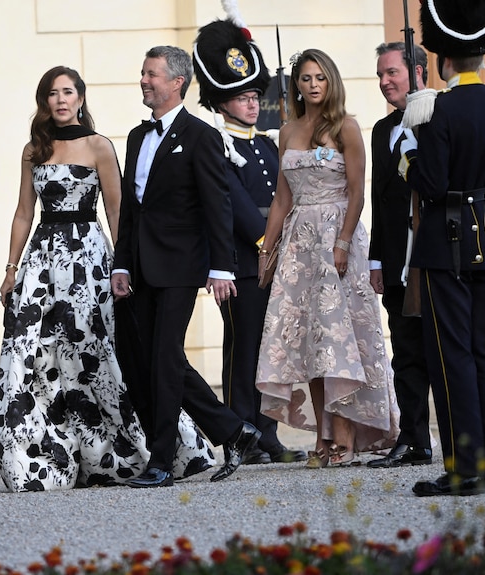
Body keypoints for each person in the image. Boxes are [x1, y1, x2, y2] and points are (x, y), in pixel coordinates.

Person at [0, 66, 215, 492]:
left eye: (68, 92)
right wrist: (11, 268)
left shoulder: (99, 146)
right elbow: (24, 212)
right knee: (38, 354)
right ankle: (46, 457)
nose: (60, 100)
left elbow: (118, 211)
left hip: (90, 258)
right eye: (52, 94)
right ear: (44, 103)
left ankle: (127, 452)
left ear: (80, 98)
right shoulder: (32, 149)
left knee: (97, 351)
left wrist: (125, 264)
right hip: (43, 260)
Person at [111, 45, 261, 489]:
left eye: (152, 74)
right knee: (161, 359)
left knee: (163, 359)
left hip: (180, 267)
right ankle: (234, 430)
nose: (144, 80)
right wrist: (121, 265)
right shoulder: (138, 137)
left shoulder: (200, 135)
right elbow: (130, 212)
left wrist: (223, 269)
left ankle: (161, 462)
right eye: (143, 72)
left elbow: (219, 207)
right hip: (139, 266)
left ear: (176, 82)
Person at [255, 49, 399, 469]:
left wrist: (342, 242)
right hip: (299, 244)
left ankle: (348, 434)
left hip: (338, 237)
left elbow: (358, 192)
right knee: (308, 343)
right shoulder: (286, 131)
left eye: (320, 77)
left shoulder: (347, 127)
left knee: (342, 341)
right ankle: (323, 434)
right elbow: (281, 199)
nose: (313, 84)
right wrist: (268, 249)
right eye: (305, 78)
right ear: (295, 85)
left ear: (330, 81)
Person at [399, 0, 485, 496]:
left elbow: (432, 183)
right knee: (483, 350)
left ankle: (463, 467)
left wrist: (409, 155)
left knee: (452, 357)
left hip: (446, 241)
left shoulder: (437, 109)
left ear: (443, 56)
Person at [192, 12, 306, 466]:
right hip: (243, 262)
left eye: (256, 96)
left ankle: (268, 433)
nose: (252, 105)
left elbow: (287, 195)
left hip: (276, 258)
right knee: (243, 352)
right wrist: (269, 244)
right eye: (242, 98)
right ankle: (242, 433)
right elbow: (234, 206)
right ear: (223, 102)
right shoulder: (219, 144)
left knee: (273, 349)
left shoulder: (266, 144)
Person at [366, 42, 433, 469]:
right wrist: (375, 260)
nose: (385, 82)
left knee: (446, 350)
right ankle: (413, 440)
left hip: (435, 256)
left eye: (392, 72)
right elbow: (378, 197)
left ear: (419, 71)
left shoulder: (441, 118)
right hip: (393, 261)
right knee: (405, 354)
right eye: (380, 75)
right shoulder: (379, 129)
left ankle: (479, 435)